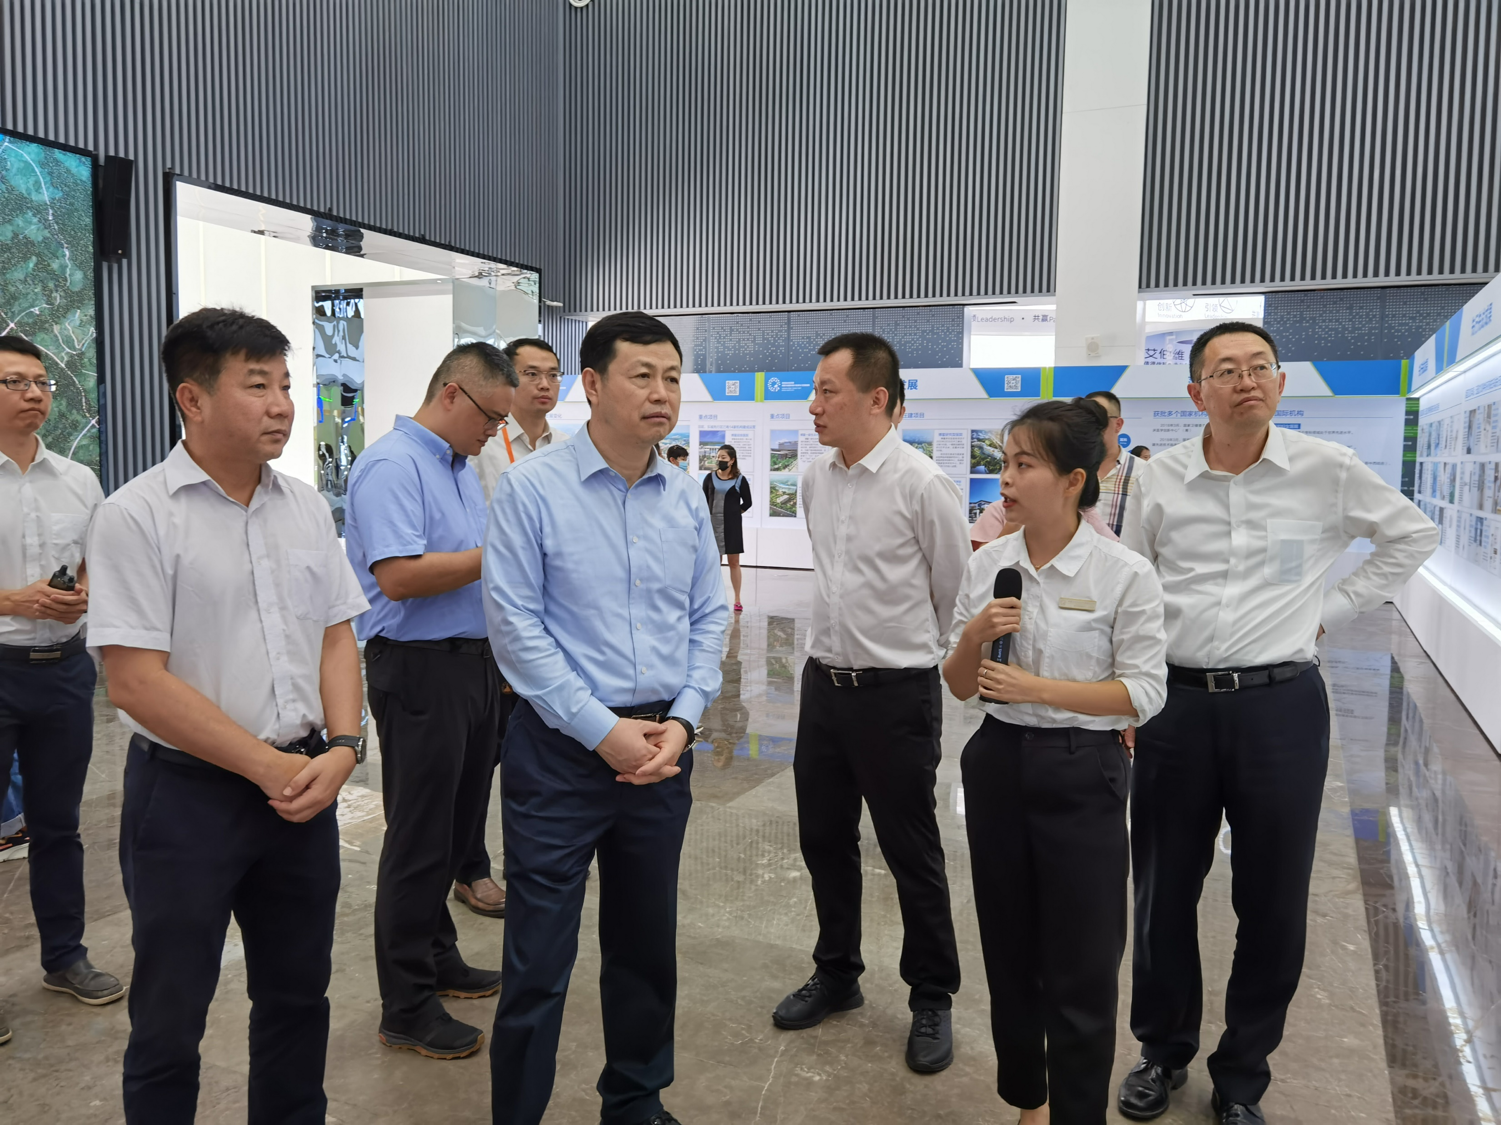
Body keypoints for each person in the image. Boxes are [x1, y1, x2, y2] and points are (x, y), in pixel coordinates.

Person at [1118, 322, 1439, 1124]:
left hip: (1281, 706)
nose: (1245, 380)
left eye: (1259, 366)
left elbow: (1411, 533)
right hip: (1174, 706)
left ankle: (1241, 1073)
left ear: (1280, 382)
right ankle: (1162, 1050)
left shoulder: (1326, 470)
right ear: (1196, 392)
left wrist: (1332, 607)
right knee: (1161, 890)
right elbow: (1130, 586)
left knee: (1272, 898)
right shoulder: (1160, 478)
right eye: (1226, 370)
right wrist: (1125, 695)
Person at [87, 308, 369, 1124]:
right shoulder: (137, 514)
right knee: (170, 1014)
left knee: (298, 995)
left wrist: (344, 746)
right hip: (188, 799)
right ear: (193, 398)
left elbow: (336, 634)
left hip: (305, 788)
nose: (282, 404)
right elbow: (136, 682)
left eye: (285, 384)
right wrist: (266, 764)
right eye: (257, 385)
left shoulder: (304, 506)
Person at [484, 311, 728, 1125]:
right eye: (642, 375)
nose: (662, 393)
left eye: (672, 377)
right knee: (537, 958)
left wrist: (683, 721)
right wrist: (602, 730)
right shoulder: (531, 488)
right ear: (591, 385)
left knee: (645, 943)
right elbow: (515, 629)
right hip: (558, 753)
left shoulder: (683, 493)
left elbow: (708, 615)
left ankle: (635, 1100)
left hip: (660, 751)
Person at [943, 400, 1167, 1125]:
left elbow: (1144, 692)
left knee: (1083, 961)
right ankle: (1028, 1102)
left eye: (1024, 464)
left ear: (1074, 480)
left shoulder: (1123, 572)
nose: (1005, 479)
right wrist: (973, 637)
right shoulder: (988, 564)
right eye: (1005, 462)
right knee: (1008, 948)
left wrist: (1038, 688)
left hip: (1083, 769)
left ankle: (1077, 1112)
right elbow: (957, 684)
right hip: (998, 763)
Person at [772, 332, 967, 1073]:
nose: (813, 405)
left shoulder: (923, 485)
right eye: (814, 390)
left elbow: (955, 596)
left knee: (910, 848)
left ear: (876, 398)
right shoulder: (816, 479)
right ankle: (837, 973)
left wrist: (914, 661)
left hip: (896, 695)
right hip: (824, 687)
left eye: (828, 391)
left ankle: (932, 995)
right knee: (823, 838)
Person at [343, 342, 518, 1059]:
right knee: (418, 839)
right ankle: (406, 1003)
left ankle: (438, 957)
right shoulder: (392, 465)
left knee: (453, 830)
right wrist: (504, 551)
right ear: (452, 393)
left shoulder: (456, 467)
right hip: (419, 670)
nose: (493, 433)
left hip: (470, 666)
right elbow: (400, 577)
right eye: (489, 417)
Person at [0, 333, 124, 1033]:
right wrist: (14, 600)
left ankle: (65, 957)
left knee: (59, 825)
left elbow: (100, 564)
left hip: (64, 673)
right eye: (16, 381)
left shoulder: (79, 479)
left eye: (41, 382)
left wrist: (84, 597)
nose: (34, 393)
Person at [473, 337, 566, 500]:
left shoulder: (565, 446)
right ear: (506, 379)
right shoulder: (482, 443)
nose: (545, 385)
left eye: (553, 375)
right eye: (532, 374)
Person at [702, 443, 752, 612]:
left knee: (734, 562)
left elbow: (748, 502)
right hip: (712, 525)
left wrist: (734, 514)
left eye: (723, 457)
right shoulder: (709, 478)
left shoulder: (740, 479)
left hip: (732, 526)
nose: (719, 460)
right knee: (714, 563)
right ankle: (713, 598)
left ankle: (737, 599)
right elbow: (703, 500)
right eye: (718, 457)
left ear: (732, 460)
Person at [1083, 390, 1136, 537]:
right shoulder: (1068, 469)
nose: (1090, 426)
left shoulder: (1143, 472)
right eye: (1085, 419)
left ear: (1118, 424)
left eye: (1098, 419)